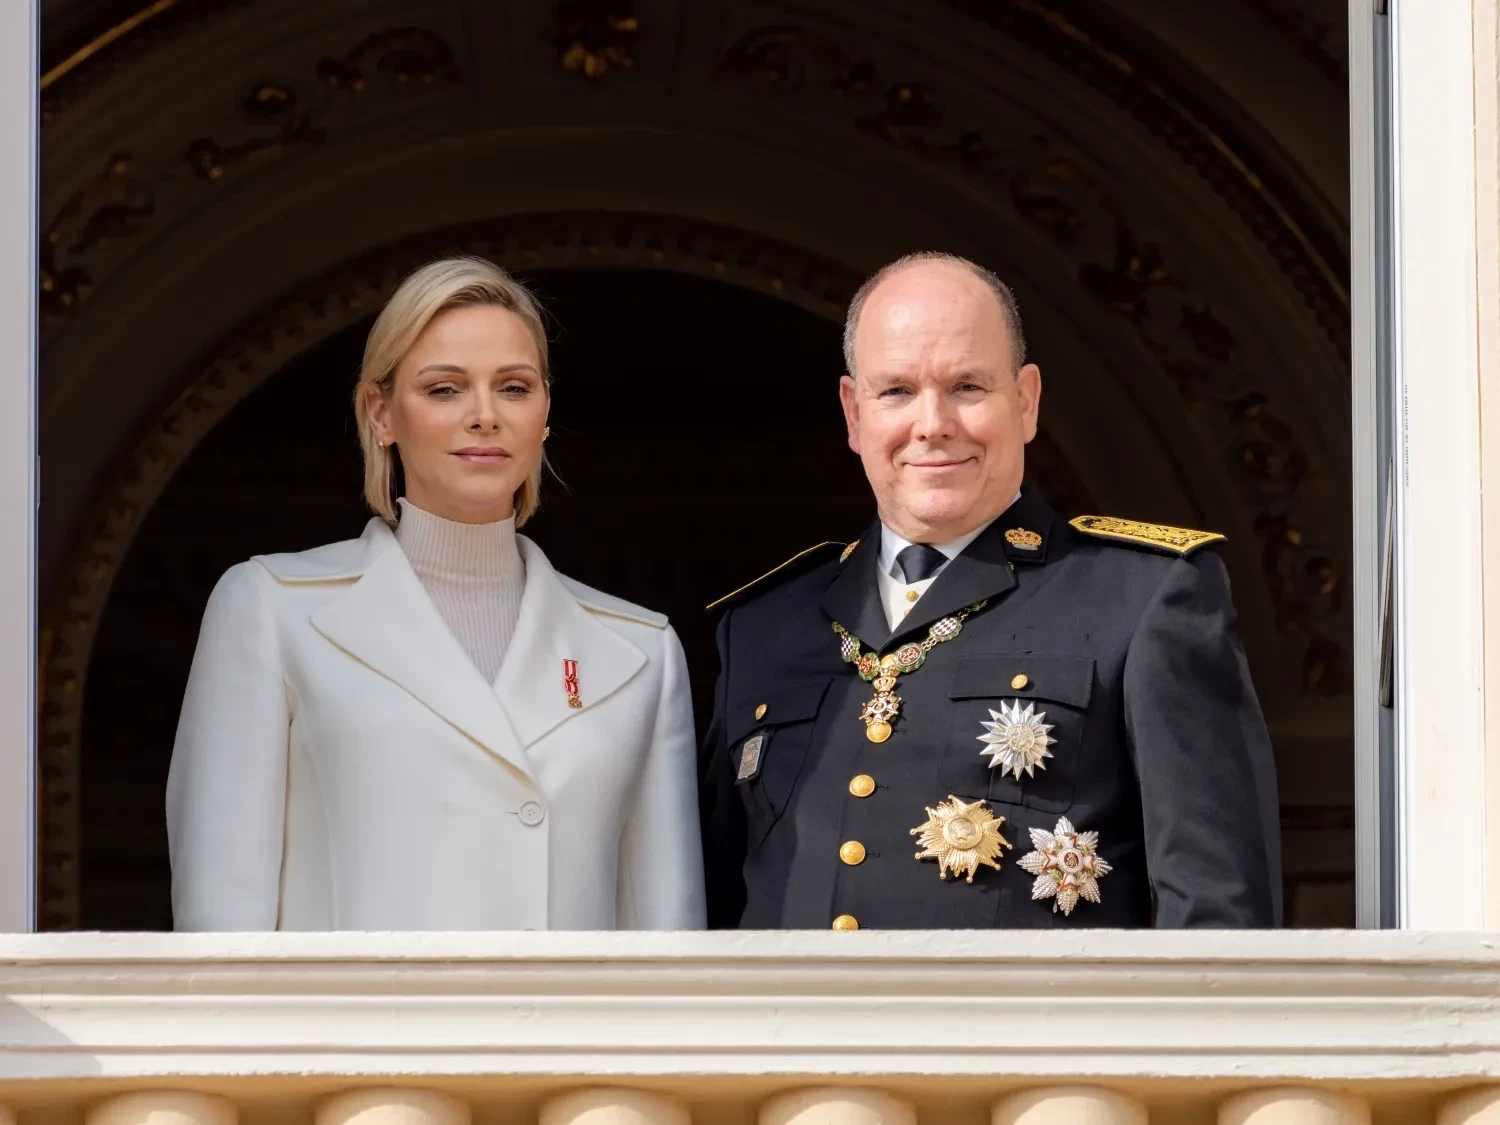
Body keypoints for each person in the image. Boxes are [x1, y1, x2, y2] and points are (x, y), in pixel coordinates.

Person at [699, 251, 1281, 930]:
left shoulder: (1144, 599)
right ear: (854, 414)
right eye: (897, 391)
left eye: (967, 386)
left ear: (1026, 401)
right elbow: (704, 911)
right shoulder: (763, 628)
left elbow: (1218, 919)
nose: (933, 423)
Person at [167, 256, 705, 932]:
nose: (484, 416)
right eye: (445, 389)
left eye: (513, 387)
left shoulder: (639, 652)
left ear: (544, 412)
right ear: (380, 412)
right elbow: (221, 931)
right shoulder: (272, 611)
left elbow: (667, 944)